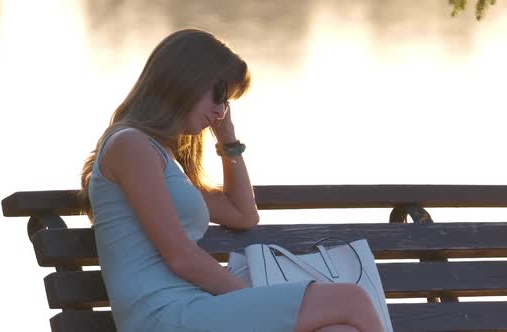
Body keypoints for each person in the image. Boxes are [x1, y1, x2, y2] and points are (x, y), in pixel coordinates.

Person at [78, 28, 383, 332]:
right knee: (352, 300)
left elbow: (244, 215)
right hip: (164, 315)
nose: (220, 110)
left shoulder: (163, 157)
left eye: (227, 103)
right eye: (219, 95)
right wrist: (256, 301)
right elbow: (181, 258)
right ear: (186, 78)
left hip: (190, 309)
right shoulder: (131, 145)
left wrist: (228, 140)